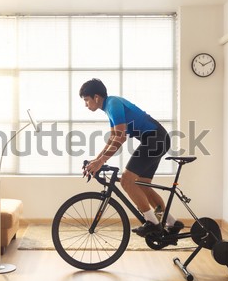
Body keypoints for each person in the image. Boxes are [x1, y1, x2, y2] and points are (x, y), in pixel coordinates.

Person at [79, 78, 184, 237]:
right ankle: (172, 223)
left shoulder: (113, 104)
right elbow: (113, 138)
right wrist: (96, 160)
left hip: (154, 139)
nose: (86, 105)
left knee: (127, 181)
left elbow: (120, 138)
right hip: (157, 139)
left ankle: (153, 223)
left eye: (86, 100)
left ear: (96, 97)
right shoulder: (109, 107)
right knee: (143, 185)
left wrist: (100, 161)